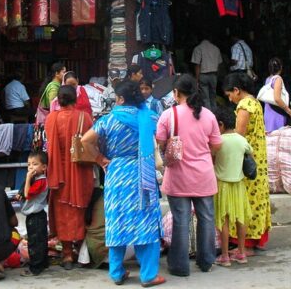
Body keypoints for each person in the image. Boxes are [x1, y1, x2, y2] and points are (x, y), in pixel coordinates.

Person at [81, 81, 164, 287]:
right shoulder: (150, 118)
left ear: (121, 99)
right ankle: (148, 275)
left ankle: (117, 273)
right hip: (142, 174)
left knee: (117, 221)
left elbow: (85, 141)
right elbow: (162, 140)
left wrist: (100, 159)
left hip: (116, 173)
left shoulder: (109, 120)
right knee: (145, 221)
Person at [156, 74, 222, 277]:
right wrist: (203, 153)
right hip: (203, 174)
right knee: (207, 218)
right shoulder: (209, 115)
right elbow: (217, 144)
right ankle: (206, 260)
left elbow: (160, 141)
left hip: (178, 176)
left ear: (176, 93)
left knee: (181, 220)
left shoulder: (169, 115)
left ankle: (179, 266)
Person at [45, 85, 95, 269]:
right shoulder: (85, 117)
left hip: (59, 174)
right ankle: (81, 250)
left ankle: (66, 254)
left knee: (61, 212)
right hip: (80, 172)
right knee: (80, 210)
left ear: (58, 99)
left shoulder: (51, 118)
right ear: (75, 98)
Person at [223, 72, 271, 253]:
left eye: (229, 95)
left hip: (247, 159)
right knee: (257, 198)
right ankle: (255, 239)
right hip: (258, 156)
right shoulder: (255, 102)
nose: (230, 99)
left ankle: (247, 244)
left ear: (236, 90)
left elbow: (238, 135)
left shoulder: (244, 106)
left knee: (247, 200)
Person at [213, 106, 252, 267]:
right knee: (240, 219)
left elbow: (211, 157)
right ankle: (242, 253)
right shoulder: (241, 139)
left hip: (222, 185)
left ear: (220, 125)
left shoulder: (218, 142)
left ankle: (224, 256)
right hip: (239, 185)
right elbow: (250, 154)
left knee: (224, 220)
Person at [19, 151, 49, 276]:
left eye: (35, 164)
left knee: (35, 242)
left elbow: (28, 194)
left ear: (44, 167)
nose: (31, 167)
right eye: (29, 164)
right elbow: (23, 193)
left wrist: (27, 178)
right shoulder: (36, 179)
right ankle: (42, 264)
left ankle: (35, 268)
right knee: (39, 240)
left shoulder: (41, 181)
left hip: (36, 216)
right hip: (35, 215)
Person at [262, 57, 291, 133]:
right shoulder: (278, 79)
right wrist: (289, 111)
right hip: (277, 113)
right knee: (278, 138)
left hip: (268, 113)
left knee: (271, 138)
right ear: (281, 67)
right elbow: (277, 98)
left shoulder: (268, 79)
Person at [192, 36, 223, 109]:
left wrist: (196, 79)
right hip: (214, 76)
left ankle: (209, 116)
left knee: (205, 98)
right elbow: (219, 64)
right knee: (213, 96)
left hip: (203, 76)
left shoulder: (198, 48)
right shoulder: (216, 48)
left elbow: (197, 65)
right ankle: (215, 115)